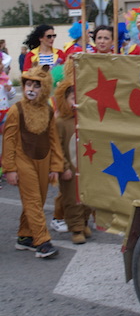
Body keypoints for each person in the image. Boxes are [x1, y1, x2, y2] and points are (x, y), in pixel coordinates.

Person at [1, 65, 63, 258]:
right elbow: (8, 140)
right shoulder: (16, 110)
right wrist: (10, 168)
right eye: (28, 84)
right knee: (33, 200)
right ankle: (42, 242)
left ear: (44, 88)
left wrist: (55, 165)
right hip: (23, 160)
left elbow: (53, 139)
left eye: (37, 86)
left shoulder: (48, 110)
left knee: (39, 199)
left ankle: (25, 236)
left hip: (43, 160)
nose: (31, 89)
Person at [54, 65, 92, 244]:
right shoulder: (61, 122)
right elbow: (57, 148)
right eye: (71, 98)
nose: (75, 101)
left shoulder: (84, 119)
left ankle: (84, 222)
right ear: (64, 100)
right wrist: (64, 167)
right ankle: (76, 228)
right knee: (72, 199)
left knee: (87, 197)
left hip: (85, 167)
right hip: (70, 168)